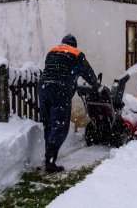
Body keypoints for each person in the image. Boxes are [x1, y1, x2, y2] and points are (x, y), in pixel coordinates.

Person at [38, 34, 99, 173]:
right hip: (59, 91)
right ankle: (50, 163)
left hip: (43, 88)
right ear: (74, 45)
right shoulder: (76, 54)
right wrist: (96, 85)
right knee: (60, 126)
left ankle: (49, 159)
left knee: (49, 125)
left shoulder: (52, 52)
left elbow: (54, 71)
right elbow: (88, 73)